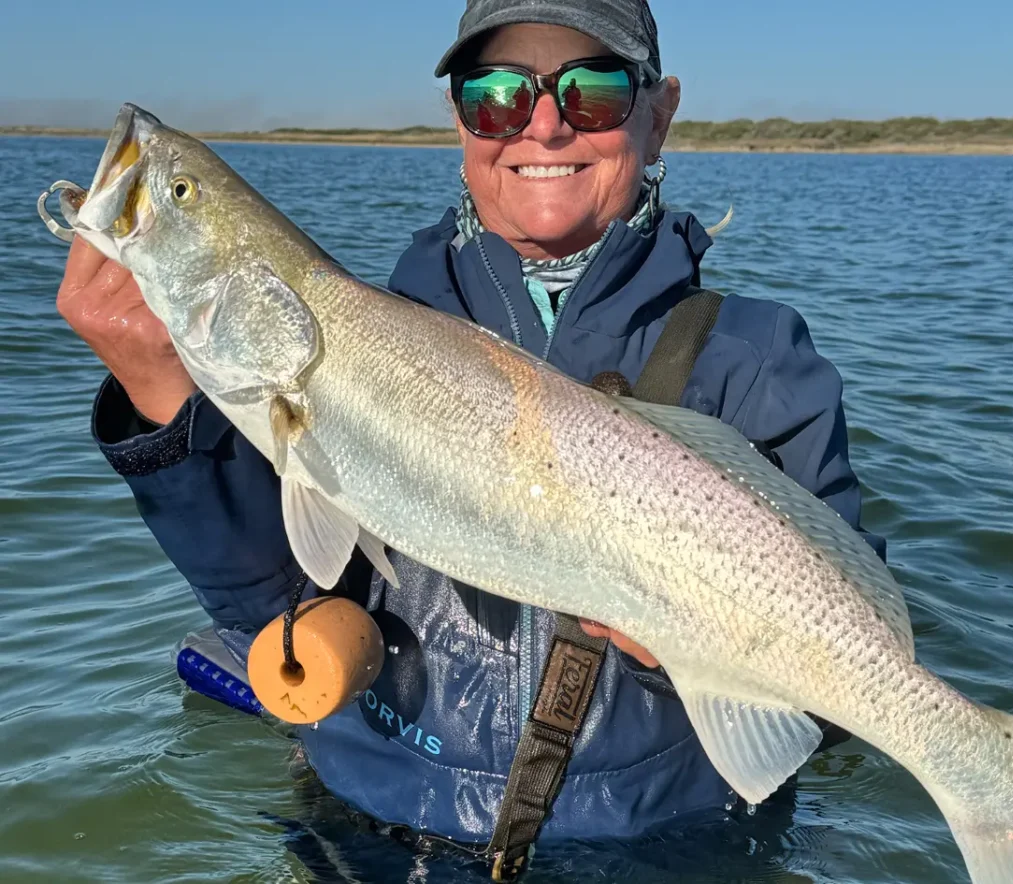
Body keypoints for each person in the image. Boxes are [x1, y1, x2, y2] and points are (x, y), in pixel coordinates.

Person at [55, 0, 885, 873]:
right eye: (496, 94)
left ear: (659, 109)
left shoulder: (758, 360)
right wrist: (158, 393)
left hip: (665, 845)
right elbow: (273, 615)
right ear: (460, 118)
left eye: (593, 90)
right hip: (372, 833)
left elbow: (840, 687)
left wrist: (682, 656)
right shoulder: (377, 336)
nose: (545, 125)